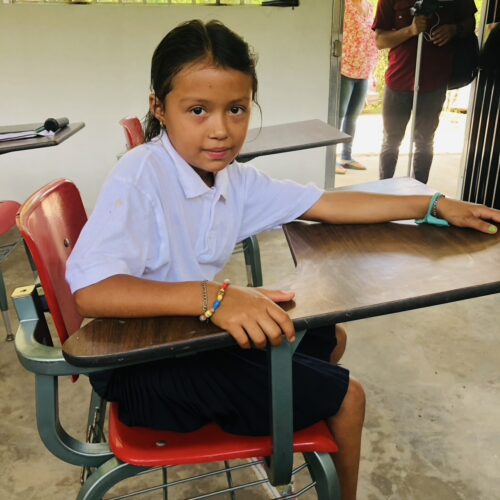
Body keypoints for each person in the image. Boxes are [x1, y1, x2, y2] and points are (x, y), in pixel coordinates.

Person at [66, 20, 499, 500]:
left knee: (327, 336)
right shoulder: (142, 175)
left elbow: (324, 204)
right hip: (141, 366)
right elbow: (93, 292)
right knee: (348, 400)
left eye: (236, 109)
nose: (220, 130)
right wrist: (215, 298)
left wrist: (432, 204)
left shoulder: (230, 179)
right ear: (159, 108)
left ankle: (267, 420)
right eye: (197, 110)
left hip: (182, 336)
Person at [373, 0, 477, 183]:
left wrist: (454, 29)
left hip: (435, 82)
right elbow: (380, 40)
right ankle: (384, 190)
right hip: (399, 80)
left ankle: (418, 192)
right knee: (391, 140)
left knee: (425, 141)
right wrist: (410, 31)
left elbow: (470, 22)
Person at [337, 0, 379, 175]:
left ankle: (346, 157)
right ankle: (330, 158)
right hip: (345, 69)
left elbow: (373, 40)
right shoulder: (343, 5)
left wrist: (373, 70)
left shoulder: (369, 7)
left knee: (352, 116)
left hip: (364, 71)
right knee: (338, 116)